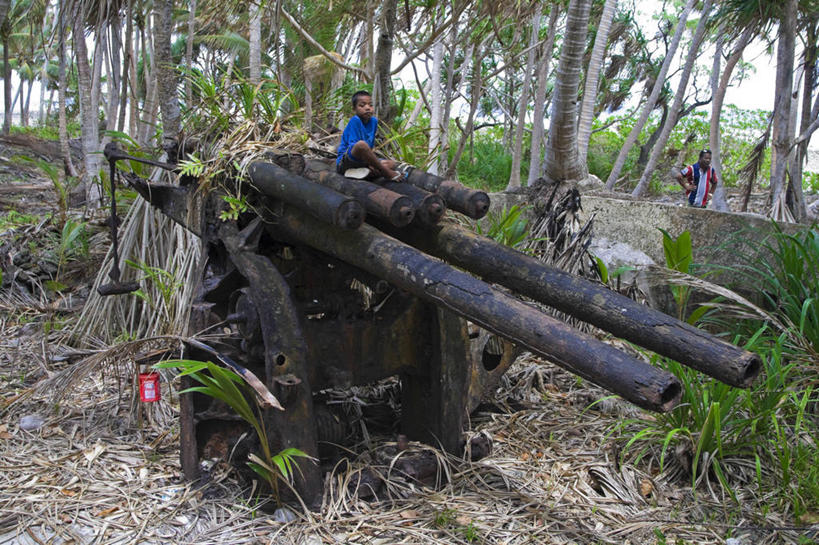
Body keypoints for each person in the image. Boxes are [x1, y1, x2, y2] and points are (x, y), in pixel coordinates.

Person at [336, 90, 403, 181]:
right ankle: (386, 173)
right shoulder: (355, 120)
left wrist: (370, 164)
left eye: (370, 105)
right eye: (362, 105)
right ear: (354, 109)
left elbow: (370, 147)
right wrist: (369, 164)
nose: (367, 108)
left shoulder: (373, 121)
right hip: (346, 162)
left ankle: (362, 172)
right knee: (361, 145)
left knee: (392, 164)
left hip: (362, 162)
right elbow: (356, 147)